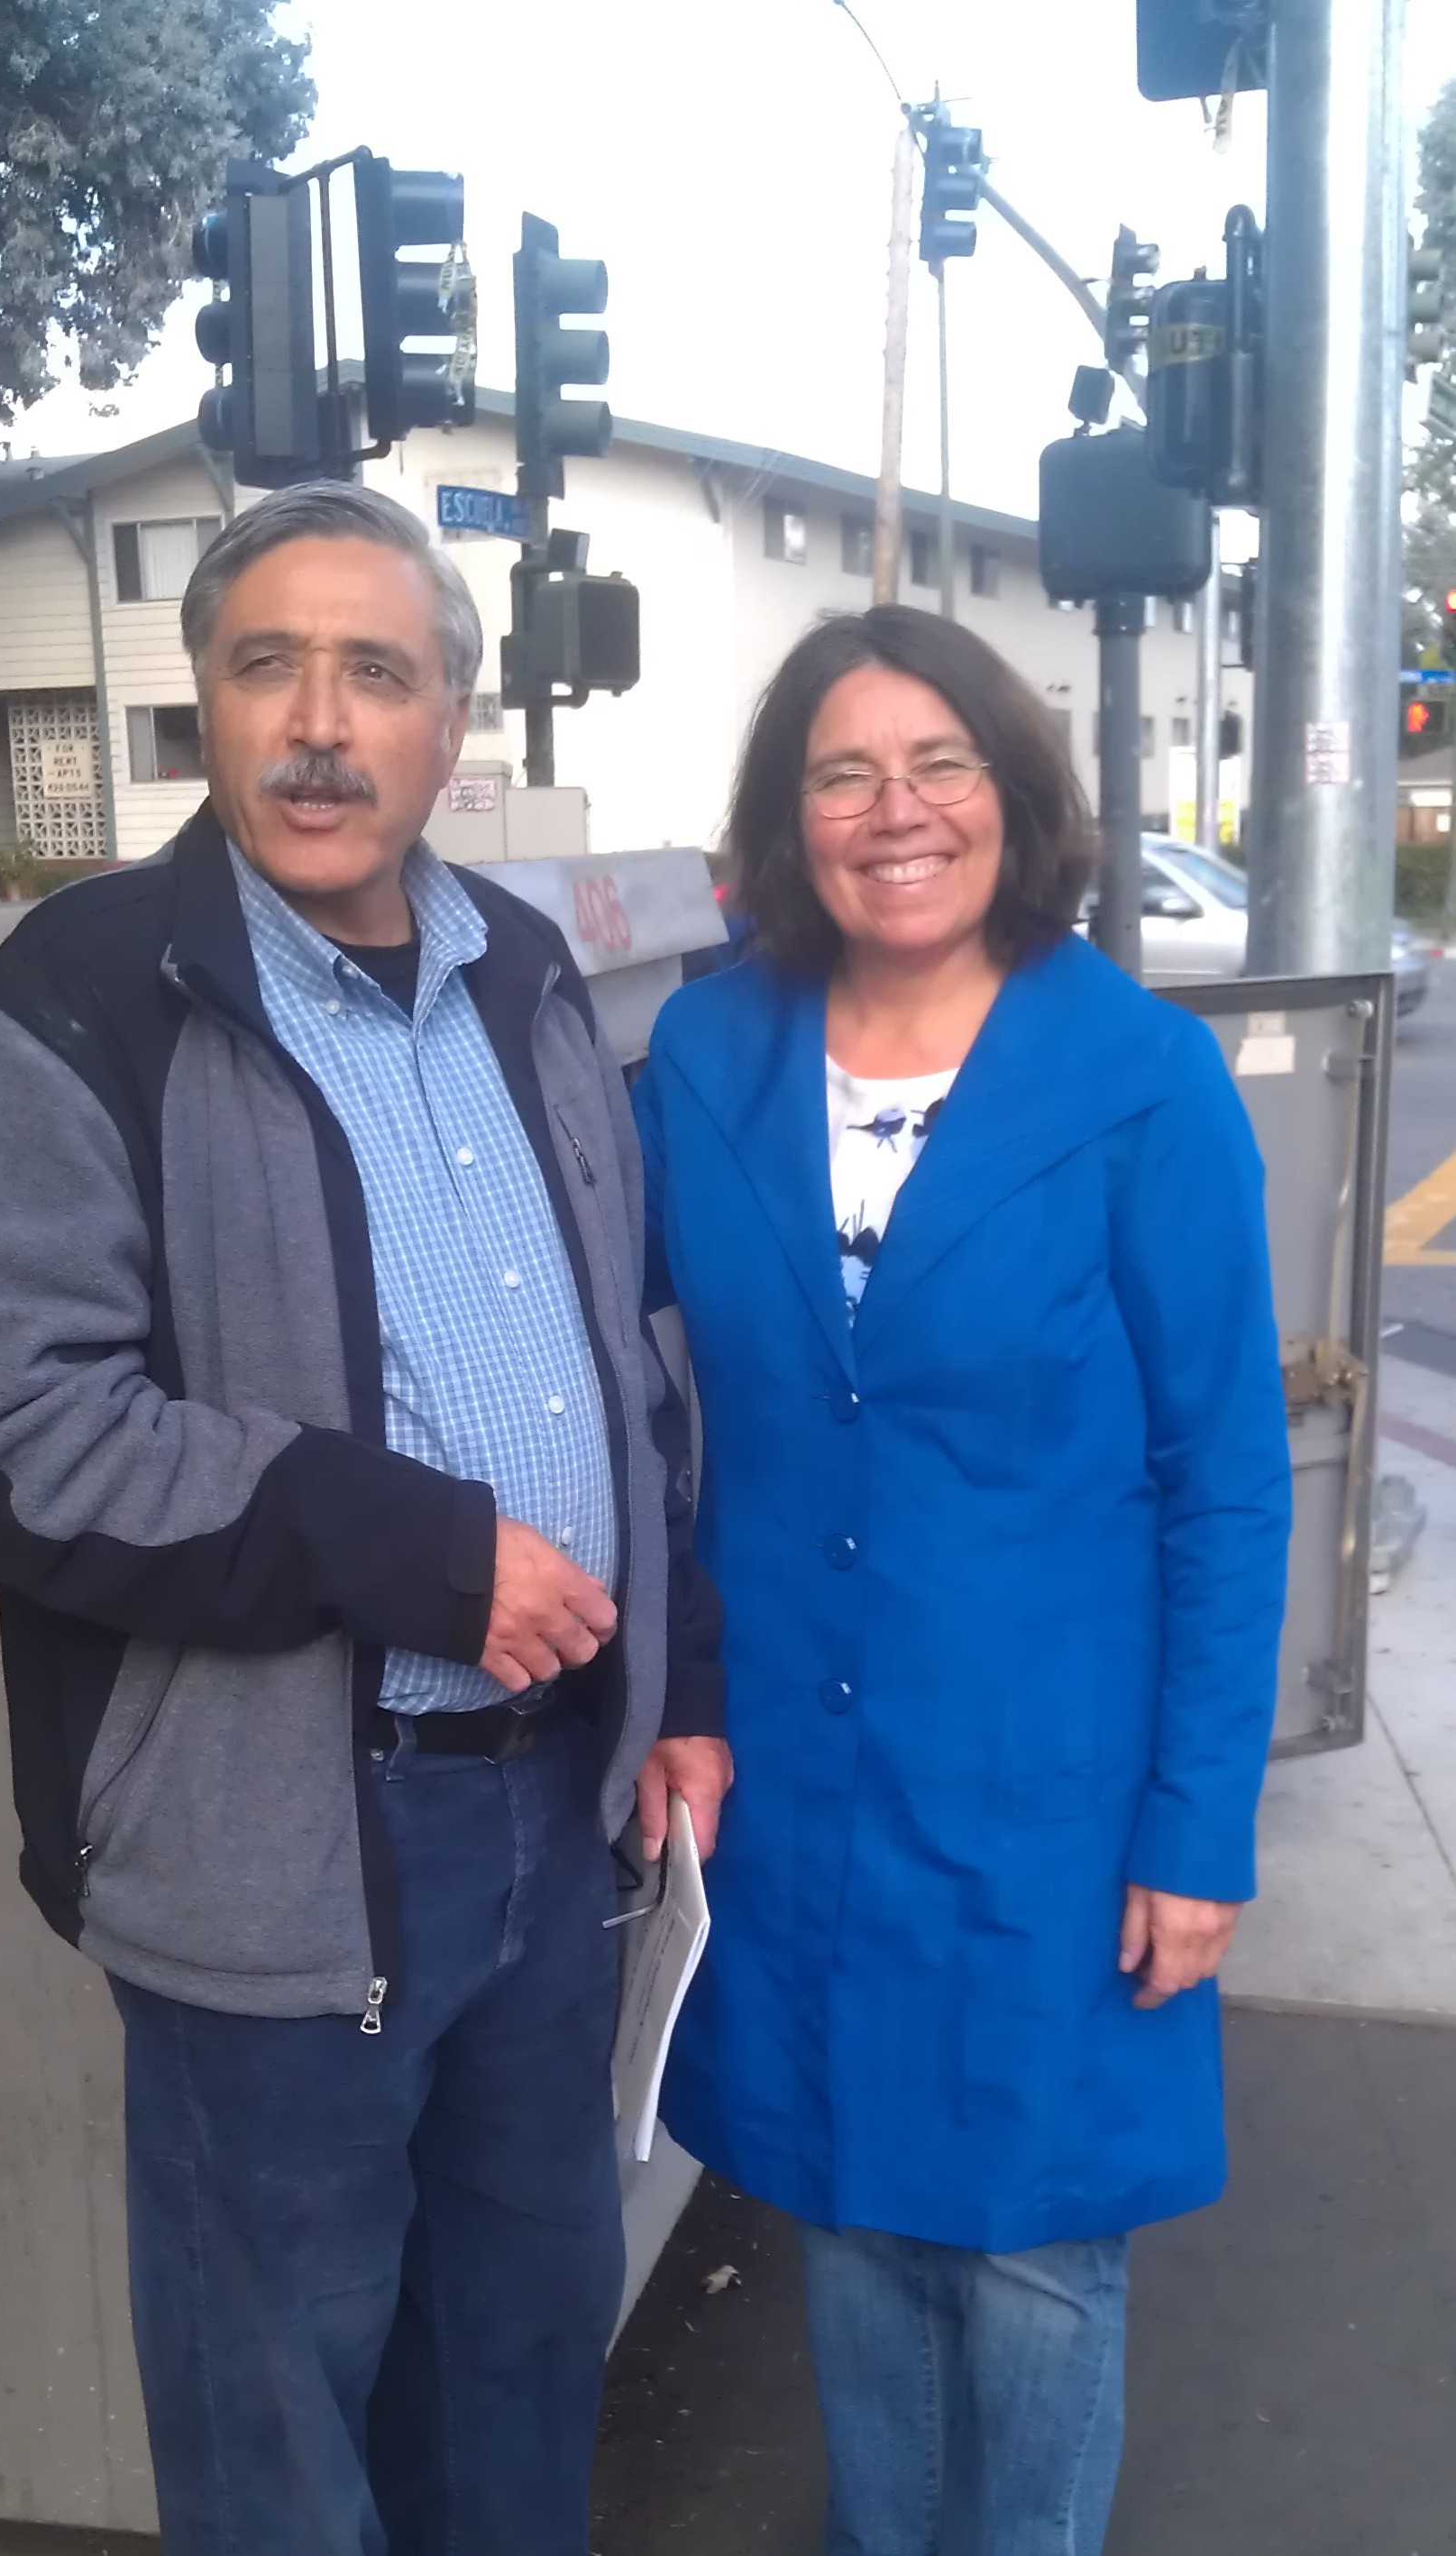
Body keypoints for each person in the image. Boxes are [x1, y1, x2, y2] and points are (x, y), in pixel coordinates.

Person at [0, 481, 731, 2556]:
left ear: (456, 720)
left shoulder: (523, 969)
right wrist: (417, 1547)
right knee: (279, 2431)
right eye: (268, 662)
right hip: (278, 1855)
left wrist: (675, 1675)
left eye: (379, 669)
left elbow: (631, 1362)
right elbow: (11, 1424)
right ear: (205, 701)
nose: (319, 720)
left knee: (524, 2362)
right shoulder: (86, 994)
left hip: (558, 1822)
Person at [632, 605, 1292, 2556]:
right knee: (845, 2210)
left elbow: (1223, 1483)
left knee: (1024, 2259)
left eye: (940, 765)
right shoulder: (706, 1051)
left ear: (1015, 799)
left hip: (1056, 1799)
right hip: (803, 1777)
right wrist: (677, 1684)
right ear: (787, 818)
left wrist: (1198, 1824)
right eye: (843, 771)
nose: (893, 809)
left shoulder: (1138, 1078)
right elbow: (627, 1392)